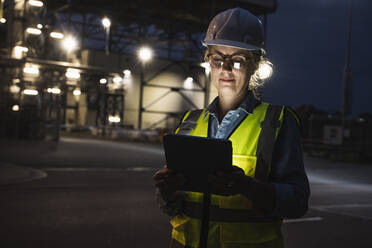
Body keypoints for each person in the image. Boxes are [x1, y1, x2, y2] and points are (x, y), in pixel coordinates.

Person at [153, 7, 310, 248]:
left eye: (237, 60)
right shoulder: (189, 122)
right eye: (218, 59)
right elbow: (174, 208)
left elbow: (298, 202)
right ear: (209, 61)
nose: (225, 69)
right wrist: (167, 192)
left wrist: (248, 188)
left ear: (255, 65)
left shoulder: (277, 122)